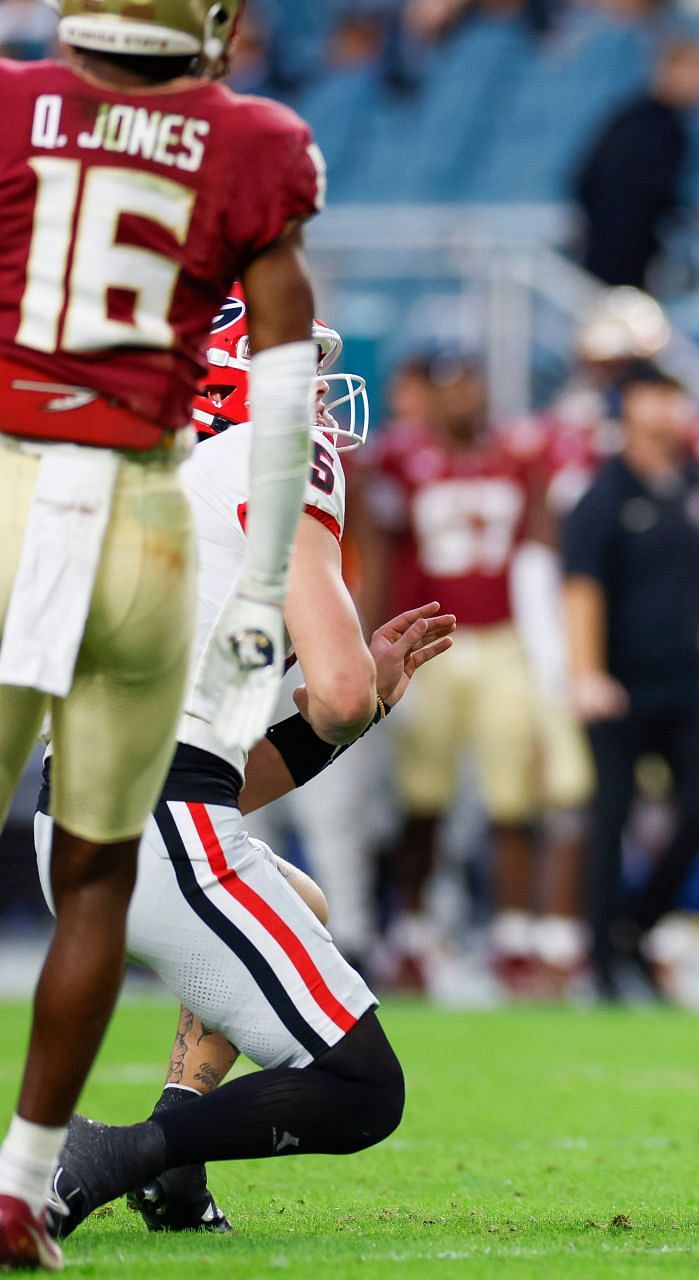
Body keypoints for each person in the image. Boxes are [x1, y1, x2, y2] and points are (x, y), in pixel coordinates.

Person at [0, 2, 325, 1263]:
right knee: (97, 872)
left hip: (18, 485)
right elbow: (283, 394)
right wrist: (258, 593)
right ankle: (23, 1187)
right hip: (145, 512)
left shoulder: (16, 106)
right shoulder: (253, 138)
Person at [31, 292, 454, 1243]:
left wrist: (342, 709)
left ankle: (175, 1164)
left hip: (93, 818)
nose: (315, 394)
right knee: (363, 1088)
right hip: (156, 825)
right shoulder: (268, 460)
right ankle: (114, 1157)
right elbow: (339, 692)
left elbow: (223, 769)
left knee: (291, 896)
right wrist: (360, 694)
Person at [354, 356, 551, 991]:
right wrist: (374, 640)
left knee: (513, 793)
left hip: (501, 639)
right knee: (422, 798)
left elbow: (538, 547)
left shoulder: (518, 456)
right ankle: (411, 933)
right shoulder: (397, 461)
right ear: (429, 400)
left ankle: (516, 935)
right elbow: (380, 553)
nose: (466, 399)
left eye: (474, 384)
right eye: (452, 389)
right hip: (428, 644)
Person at [562, 361, 699, 1000]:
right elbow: (581, 587)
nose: (666, 407)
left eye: (674, 393)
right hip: (619, 683)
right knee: (609, 816)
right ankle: (601, 963)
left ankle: (636, 929)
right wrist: (586, 673)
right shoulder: (604, 493)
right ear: (627, 405)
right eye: (653, 395)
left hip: (685, 680)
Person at [574, 38, 699, 289]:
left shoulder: (648, 120)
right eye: (696, 70)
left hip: (632, 251)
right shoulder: (649, 126)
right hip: (621, 254)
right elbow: (592, 181)